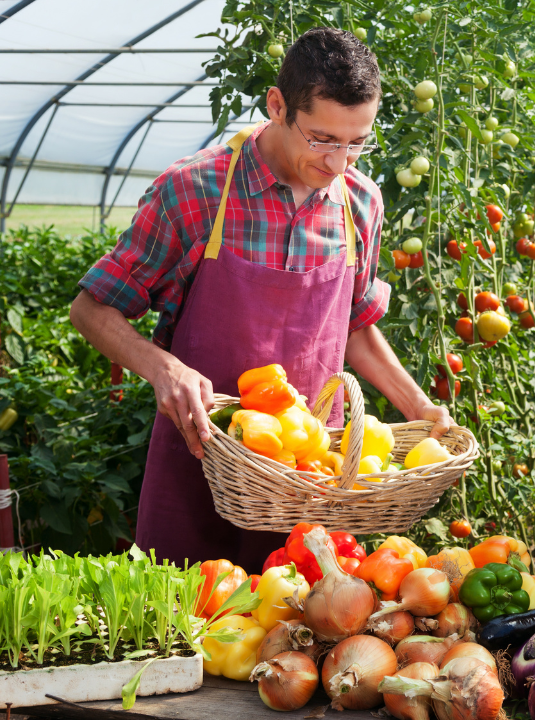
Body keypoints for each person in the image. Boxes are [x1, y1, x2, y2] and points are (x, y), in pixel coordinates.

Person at [70, 28, 450, 570]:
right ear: (276, 105)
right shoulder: (194, 190)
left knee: (295, 637)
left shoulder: (361, 203)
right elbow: (91, 308)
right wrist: (163, 370)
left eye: (356, 142)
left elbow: (356, 328)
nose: (339, 162)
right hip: (202, 460)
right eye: (322, 139)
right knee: (186, 632)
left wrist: (419, 408)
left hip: (311, 478)